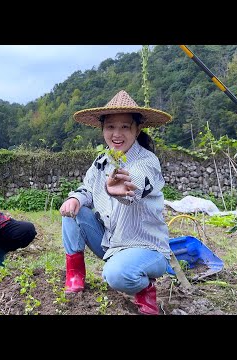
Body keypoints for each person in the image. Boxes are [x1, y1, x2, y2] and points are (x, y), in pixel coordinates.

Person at [59, 90, 172, 315]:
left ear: (137, 129)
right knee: (73, 210)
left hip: (145, 247)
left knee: (116, 275)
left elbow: (139, 182)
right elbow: (87, 189)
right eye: (110, 127)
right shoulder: (101, 162)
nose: (116, 134)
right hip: (111, 243)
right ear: (102, 129)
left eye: (125, 127)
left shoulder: (147, 161)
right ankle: (75, 274)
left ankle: (146, 287)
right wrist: (75, 198)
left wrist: (124, 188)